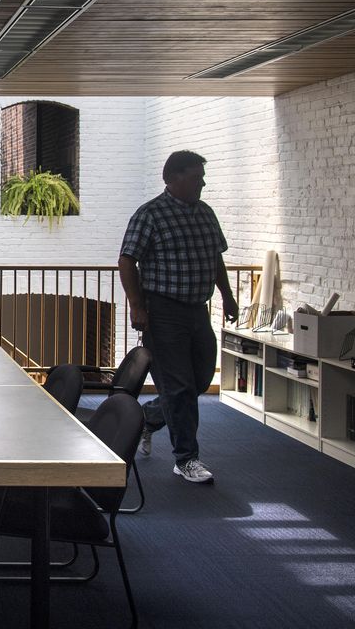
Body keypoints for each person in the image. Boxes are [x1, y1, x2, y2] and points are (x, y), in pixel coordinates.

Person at [118, 150, 238, 484]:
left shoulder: (205, 214)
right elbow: (127, 260)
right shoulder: (150, 214)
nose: (202, 182)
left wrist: (227, 296)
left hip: (198, 310)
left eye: (202, 176)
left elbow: (215, 258)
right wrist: (137, 306)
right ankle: (186, 459)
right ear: (173, 178)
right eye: (196, 176)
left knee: (199, 379)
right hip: (163, 311)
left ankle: (147, 418)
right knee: (180, 387)